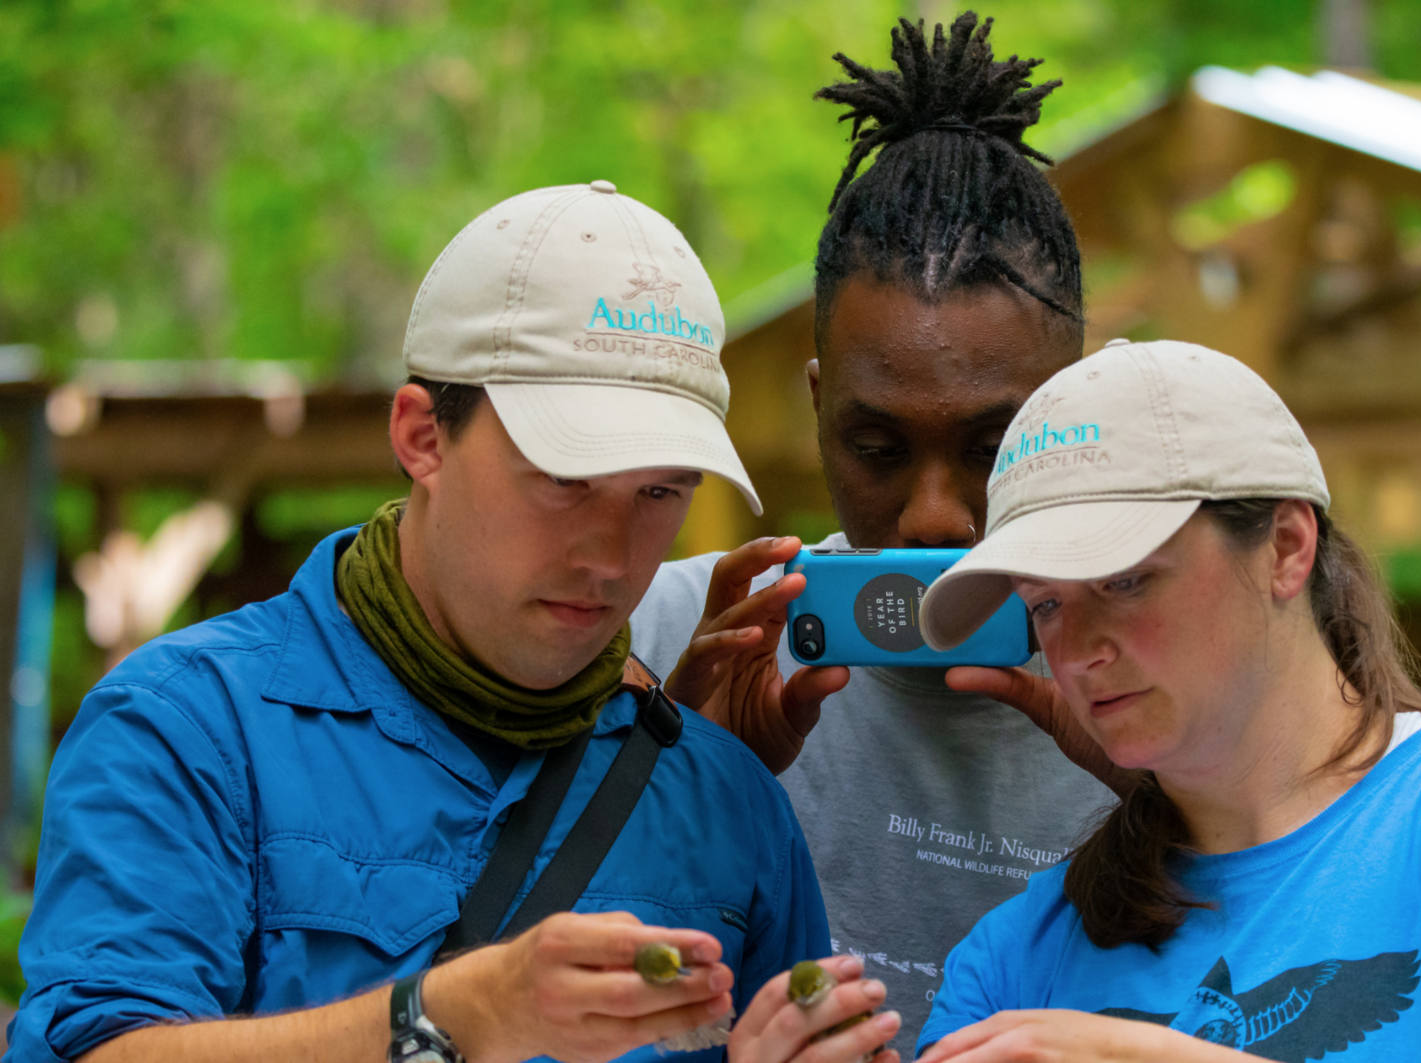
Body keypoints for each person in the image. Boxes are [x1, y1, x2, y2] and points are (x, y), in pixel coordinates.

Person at [8, 183, 899, 1063]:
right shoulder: (186, 727)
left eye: (660, 491)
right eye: (564, 478)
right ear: (422, 436)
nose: (611, 553)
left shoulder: (726, 800)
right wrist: (446, 1016)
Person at [628, 13, 1117, 1052]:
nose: (935, 514)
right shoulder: (668, 641)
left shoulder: (1173, 677)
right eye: (877, 446)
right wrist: (687, 779)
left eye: (992, 445)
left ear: (1077, 405)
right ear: (816, 409)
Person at [908, 338, 1421, 1062]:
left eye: (1124, 581)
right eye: (1044, 603)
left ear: (1288, 547)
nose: (1077, 650)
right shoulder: (1011, 959)